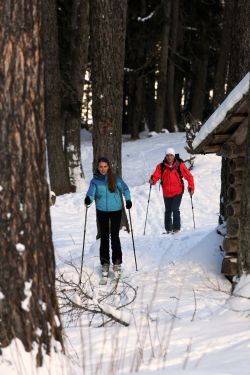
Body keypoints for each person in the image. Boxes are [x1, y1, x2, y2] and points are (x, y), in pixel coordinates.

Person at [84, 157, 132, 278]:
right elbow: (90, 194)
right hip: (102, 211)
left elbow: (125, 189)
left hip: (116, 210)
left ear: (108, 167)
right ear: (97, 167)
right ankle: (105, 263)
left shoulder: (116, 178)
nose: (103, 169)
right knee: (104, 237)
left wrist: (128, 200)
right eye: (101, 167)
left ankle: (117, 263)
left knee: (115, 236)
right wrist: (88, 200)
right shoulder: (95, 181)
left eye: (105, 166)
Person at [149, 148, 194, 234]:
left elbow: (189, 177)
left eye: (171, 155)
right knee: (168, 210)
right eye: (167, 155)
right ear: (165, 156)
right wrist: (152, 180)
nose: (169, 157)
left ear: (174, 156)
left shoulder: (179, 165)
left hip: (178, 191)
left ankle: (176, 228)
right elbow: (156, 175)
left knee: (175, 208)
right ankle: (168, 229)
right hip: (166, 192)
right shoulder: (161, 166)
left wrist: (191, 187)